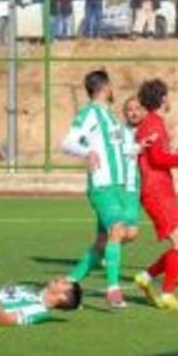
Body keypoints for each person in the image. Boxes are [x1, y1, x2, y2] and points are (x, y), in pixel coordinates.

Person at [61, 70, 138, 308]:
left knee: (120, 236)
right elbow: (67, 142)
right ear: (105, 87)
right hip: (102, 185)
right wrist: (88, 152)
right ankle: (113, 289)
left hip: (119, 186)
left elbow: (117, 148)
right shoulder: (90, 113)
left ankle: (69, 281)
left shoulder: (109, 116)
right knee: (117, 230)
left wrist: (137, 148)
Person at [133, 79, 178, 311]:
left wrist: (173, 153)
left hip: (163, 191)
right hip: (156, 192)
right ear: (162, 99)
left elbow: (156, 154)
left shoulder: (154, 123)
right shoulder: (152, 124)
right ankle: (168, 294)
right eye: (167, 95)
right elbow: (158, 159)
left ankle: (146, 277)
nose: (169, 99)